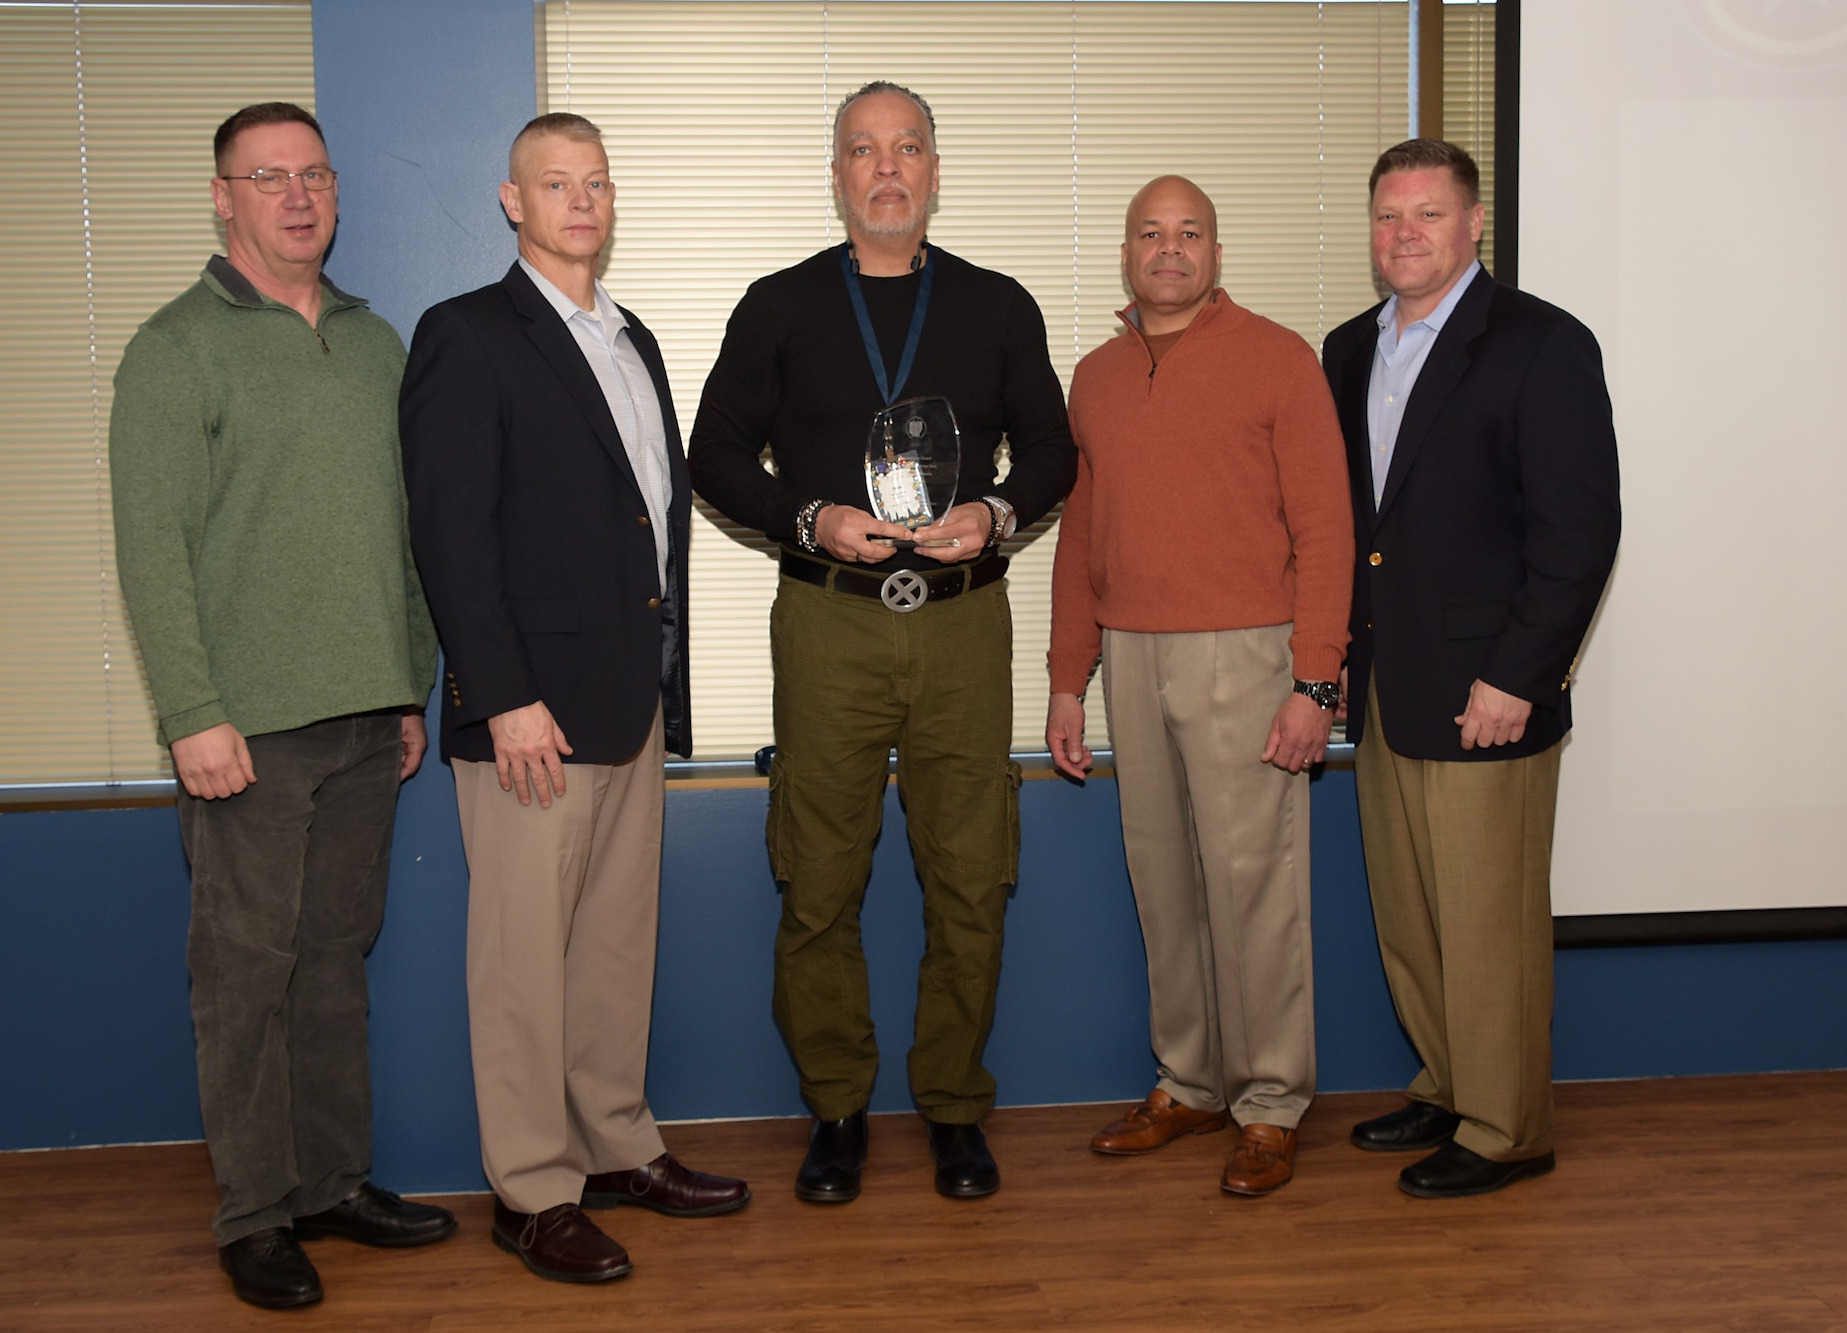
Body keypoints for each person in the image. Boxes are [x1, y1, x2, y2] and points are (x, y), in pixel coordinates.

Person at [692, 81, 1078, 1203]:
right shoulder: (776, 307)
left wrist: (996, 514)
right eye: (863, 151)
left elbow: (1053, 453)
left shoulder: (998, 307)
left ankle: (954, 1106)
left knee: (969, 876)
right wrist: (806, 516)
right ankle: (838, 1108)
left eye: (906, 148)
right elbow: (710, 456)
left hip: (962, 627)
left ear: (934, 170)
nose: (886, 169)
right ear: (837, 176)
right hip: (827, 624)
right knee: (819, 878)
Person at [108, 102, 454, 1311]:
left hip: (368, 715)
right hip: (244, 729)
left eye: (313, 174)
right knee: (242, 976)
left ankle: (330, 1184)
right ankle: (253, 1213)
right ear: (223, 196)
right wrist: (191, 711)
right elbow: (151, 550)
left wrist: (411, 680)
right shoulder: (174, 349)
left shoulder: (376, 346)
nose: (296, 196)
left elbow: (410, 532)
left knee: (331, 963)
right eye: (268, 177)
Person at [400, 112, 749, 1285]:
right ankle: (531, 1191)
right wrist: (500, 697)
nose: (580, 200)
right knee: (521, 966)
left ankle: (612, 1148)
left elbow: (643, 522)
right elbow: (451, 535)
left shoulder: (630, 335)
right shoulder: (466, 335)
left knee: (610, 951)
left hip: (627, 702)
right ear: (511, 201)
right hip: (529, 720)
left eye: (596, 182)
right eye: (556, 183)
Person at [1321, 139, 1620, 1199]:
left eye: (1427, 214)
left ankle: (1506, 1127)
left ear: (1472, 223)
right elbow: (1358, 529)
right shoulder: (1347, 349)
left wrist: (1517, 676)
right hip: (1387, 687)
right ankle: (1448, 1084)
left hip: (1486, 693)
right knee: (1412, 916)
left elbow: (1577, 534)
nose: (1404, 233)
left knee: (1487, 922)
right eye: (1386, 215)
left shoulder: (1540, 343)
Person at [1046, 176, 1354, 1197]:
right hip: (1131, 652)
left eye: (1189, 233)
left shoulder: (1277, 359)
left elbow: (1324, 527)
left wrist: (1315, 679)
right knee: (1164, 883)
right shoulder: (1091, 376)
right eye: (1150, 233)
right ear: (1125, 251)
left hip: (1248, 651)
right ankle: (1188, 1081)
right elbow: (1078, 539)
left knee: (1252, 885)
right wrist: (1064, 679)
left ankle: (1269, 1102)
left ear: (1215, 251)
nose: (1168, 250)